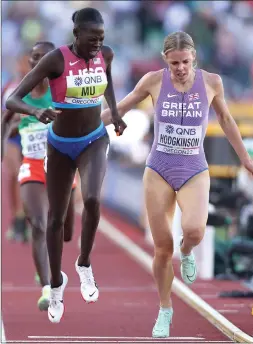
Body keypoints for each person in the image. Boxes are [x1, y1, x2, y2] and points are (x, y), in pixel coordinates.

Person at [101, 31, 253, 338]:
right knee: (162, 248)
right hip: (158, 169)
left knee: (195, 230)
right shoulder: (153, 81)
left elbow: (227, 120)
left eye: (186, 62)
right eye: (175, 62)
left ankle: (188, 250)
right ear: (166, 60)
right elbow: (121, 108)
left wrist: (245, 158)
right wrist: (86, 127)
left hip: (193, 168)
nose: (180, 68)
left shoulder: (211, 82)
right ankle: (165, 309)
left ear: (194, 59)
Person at [6, 7, 126, 324]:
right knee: (56, 220)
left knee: (92, 199)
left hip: (93, 140)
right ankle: (55, 287)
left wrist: (113, 112)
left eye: (101, 38)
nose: (98, 44)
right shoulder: (56, 60)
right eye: (92, 38)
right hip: (58, 146)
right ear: (76, 35)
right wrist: (35, 114)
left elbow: (108, 80)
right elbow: (12, 100)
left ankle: (84, 264)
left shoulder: (106, 55)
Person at [2, 41, 77, 312]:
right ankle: (48, 287)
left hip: (62, 166)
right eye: (33, 58)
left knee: (65, 232)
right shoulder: (18, 91)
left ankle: (50, 266)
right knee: (39, 225)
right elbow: (6, 115)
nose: (37, 63)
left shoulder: (64, 92)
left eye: (43, 58)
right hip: (32, 165)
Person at [2, 55, 30, 242]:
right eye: (20, 63)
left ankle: (26, 219)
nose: (22, 67)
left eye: (26, 64)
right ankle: (17, 219)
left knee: (29, 178)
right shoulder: (10, 86)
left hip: (33, 135)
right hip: (14, 137)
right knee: (14, 175)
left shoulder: (42, 87)